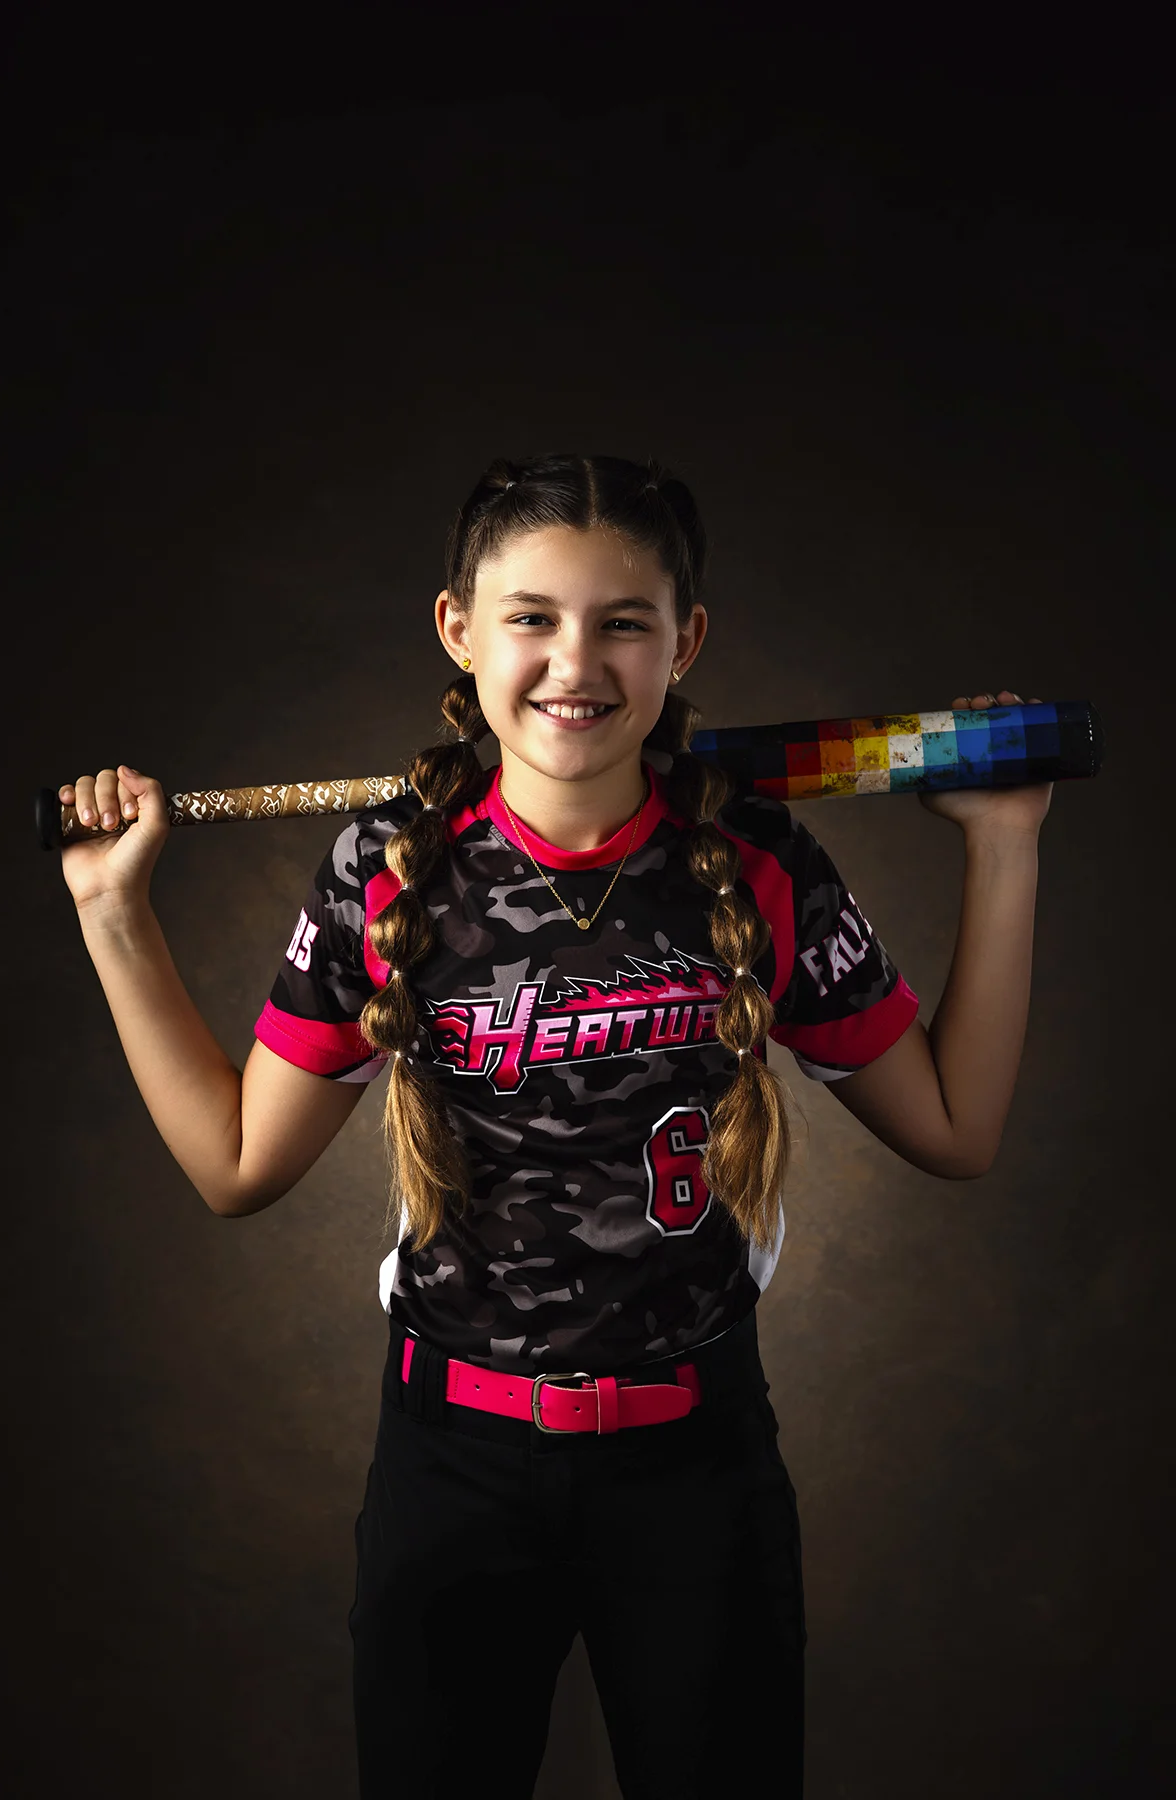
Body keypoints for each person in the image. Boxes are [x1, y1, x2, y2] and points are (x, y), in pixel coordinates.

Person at [56, 452, 1053, 1800]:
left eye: (622, 621)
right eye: (530, 616)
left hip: (697, 1469)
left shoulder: (757, 861)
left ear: (683, 642)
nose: (573, 661)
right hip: (453, 1468)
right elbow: (237, 1168)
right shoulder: (387, 868)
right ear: (458, 630)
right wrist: (113, 917)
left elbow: (955, 1126)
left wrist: (1003, 842)